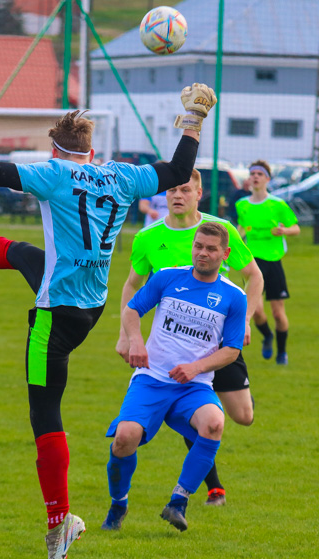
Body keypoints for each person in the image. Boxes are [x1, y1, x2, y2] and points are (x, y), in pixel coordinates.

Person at [0, 82, 216, 559]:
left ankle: (59, 523)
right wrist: (193, 121)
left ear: (55, 149)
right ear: (91, 150)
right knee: (26, 255)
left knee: (44, 412)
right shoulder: (121, 176)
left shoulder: (52, 174)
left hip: (56, 313)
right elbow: (175, 171)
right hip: (93, 304)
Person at [117, 168, 263, 507]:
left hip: (215, 343)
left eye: (185, 189)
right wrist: (126, 336)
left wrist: (247, 321)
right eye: (172, 190)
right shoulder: (149, 237)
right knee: (198, 415)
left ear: (199, 193)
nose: (177, 195)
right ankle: (212, 488)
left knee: (243, 416)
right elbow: (131, 286)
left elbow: (253, 276)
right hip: (168, 348)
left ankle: (181, 420)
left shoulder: (219, 231)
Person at [103, 222, 246, 533]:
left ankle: (178, 502)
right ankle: (118, 503)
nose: (202, 253)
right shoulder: (168, 277)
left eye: (211, 249)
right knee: (125, 439)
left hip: (193, 386)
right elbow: (131, 310)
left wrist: (196, 368)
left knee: (215, 423)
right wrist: (136, 341)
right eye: (198, 246)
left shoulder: (233, 296)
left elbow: (232, 351)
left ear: (225, 253)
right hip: (151, 379)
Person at [234, 160, 299, 365]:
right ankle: (267, 336)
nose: (254, 177)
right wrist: (233, 239)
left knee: (279, 314)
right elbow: (242, 228)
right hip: (252, 263)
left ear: (267, 179)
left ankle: (282, 352)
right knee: (257, 312)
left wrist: (285, 231)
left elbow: (295, 228)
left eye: (259, 174)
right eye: (252, 173)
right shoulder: (242, 204)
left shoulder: (277, 205)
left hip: (273, 262)